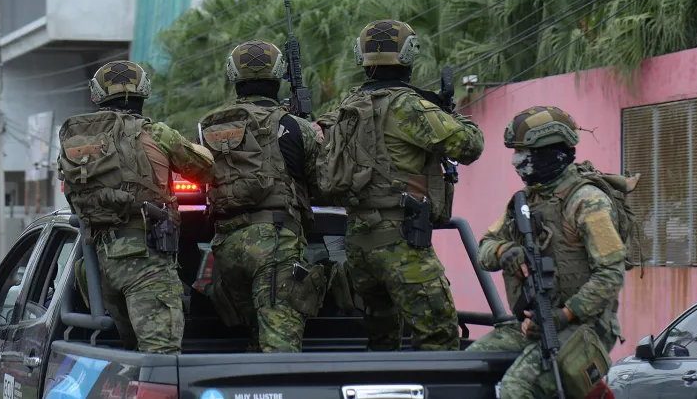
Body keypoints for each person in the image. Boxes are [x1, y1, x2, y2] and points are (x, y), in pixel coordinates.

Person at [316, 20, 485, 351]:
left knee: (382, 341)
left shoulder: (347, 108)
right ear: (409, 55)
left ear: (361, 56)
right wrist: (449, 114)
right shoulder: (409, 106)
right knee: (438, 337)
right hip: (401, 240)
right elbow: (470, 146)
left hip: (358, 244)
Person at [58, 60, 215, 354]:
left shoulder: (77, 144)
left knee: (131, 357)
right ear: (145, 91)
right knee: (161, 358)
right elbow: (204, 171)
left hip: (99, 266)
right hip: (147, 262)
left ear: (96, 95)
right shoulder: (156, 134)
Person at [470, 106, 627, 399]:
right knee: (468, 367)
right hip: (534, 323)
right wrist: (505, 251)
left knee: (517, 389)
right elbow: (485, 248)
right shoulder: (524, 202)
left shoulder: (587, 202)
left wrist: (564, 315)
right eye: (516, 151)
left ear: (550, 153)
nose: (517, 160)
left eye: (524, 151)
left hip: (584, 326)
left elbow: (611, 274)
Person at [201, 40, 325, 353]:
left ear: (233, 75)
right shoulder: (294, 126)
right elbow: (322, 184)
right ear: (279, 73)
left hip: (226, 247)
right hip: (275, 242)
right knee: (280, 346)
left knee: (257, 338)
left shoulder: (209, 127)